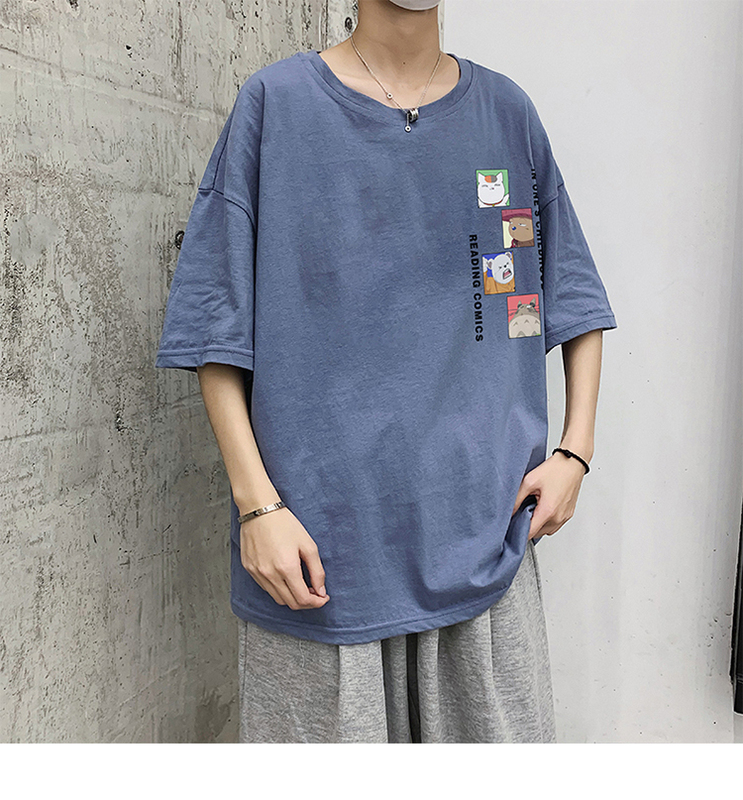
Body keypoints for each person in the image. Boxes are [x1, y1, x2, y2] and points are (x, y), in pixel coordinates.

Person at [155, 0, 617, 743]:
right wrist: (257, 508)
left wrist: (575, 451)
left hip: (485, 547)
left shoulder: (505, 113)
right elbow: (216, 326)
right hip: (318, 562)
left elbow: (571, 294)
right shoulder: (276, 105)